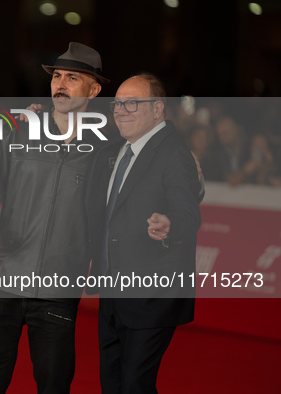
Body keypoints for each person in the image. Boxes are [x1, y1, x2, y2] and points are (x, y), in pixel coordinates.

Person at [0, 42, 109, 393]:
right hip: (3, 281)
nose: (60, 83)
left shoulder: (106, 150)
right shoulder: (17, 132)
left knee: (54, 387)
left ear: (94, 90)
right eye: (57, 76)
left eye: (72, 78)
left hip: (59, 290)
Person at [85, 74, 201, 394]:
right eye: (117, 103)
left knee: (135, 383)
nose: (121, 110)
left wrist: (170, 224)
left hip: (151, 292)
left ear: (158, 109)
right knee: (112, 380)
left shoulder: (174, 152)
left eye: (132, 103)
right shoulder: (118, 150)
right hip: (112, 287)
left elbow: (188, 212)